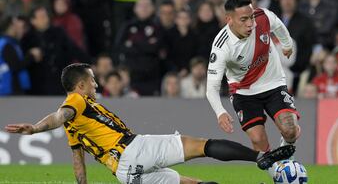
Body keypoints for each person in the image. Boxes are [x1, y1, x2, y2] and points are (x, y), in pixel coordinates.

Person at [5, 63, 295, 184]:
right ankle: (262, 157)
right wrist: (35, 128)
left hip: (124, 174)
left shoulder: (78, 120)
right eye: (92, 79)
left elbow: (77, 160)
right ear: (81, 85)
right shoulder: (76, 103)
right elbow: (59, 117)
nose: (95, 82)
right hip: (133, 150)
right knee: (202, 146)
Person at [206, 0, 301, 153]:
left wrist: (287, 44)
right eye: (243, 20)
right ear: (229, 20)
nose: (250, 24)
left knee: (290, 131)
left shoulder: (263, 16)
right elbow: (211, 87)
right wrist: (220, 112)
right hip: (243, 92)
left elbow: (278, 26)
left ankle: (286, 155)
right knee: (258, 142)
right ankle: (276, 173)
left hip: (273, 83)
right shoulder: (221, 46)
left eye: (251, 17)